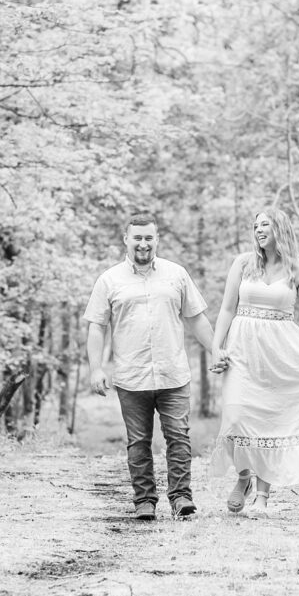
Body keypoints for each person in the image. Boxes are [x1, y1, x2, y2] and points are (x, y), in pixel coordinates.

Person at [83, 210, 224, 521]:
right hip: (131, 376)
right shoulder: (109, 280)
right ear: (126, 240)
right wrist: (96, 368)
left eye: (149, 238)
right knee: (138, 441)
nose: (143, 244)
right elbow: (96, 326)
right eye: (137, 238)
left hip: (173, 373)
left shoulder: (176, 274)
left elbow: (196, 318)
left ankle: (181, 497)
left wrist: (215, 350)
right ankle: (145, 501)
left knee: (179, 436)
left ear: (157, 240)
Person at [210, 208, 299, 513]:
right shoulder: (243, 264)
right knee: (236, 417)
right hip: (241, 351)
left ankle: (262, 495)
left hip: (279, 354)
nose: (259, 230)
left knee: (269, 422)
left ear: (280, 229)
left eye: (265, 224)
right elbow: (226, 309)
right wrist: (215, 347)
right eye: (255, 225)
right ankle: (244, 476)